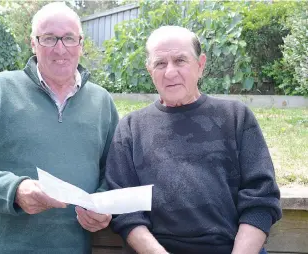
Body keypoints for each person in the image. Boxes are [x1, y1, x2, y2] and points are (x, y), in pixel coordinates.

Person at [0, 2, 118, 253]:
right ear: (33, 44)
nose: (60, 49)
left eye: (69, 38)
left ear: (81, 44)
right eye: (49, 38)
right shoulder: (1, 90)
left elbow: (114, 171)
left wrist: (103, 204)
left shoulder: (101, 101)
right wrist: (14, 190)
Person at [105, 26, 282, 254]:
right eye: (160, 63)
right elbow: (124, 209)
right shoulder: (131, 128)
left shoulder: (236, 117)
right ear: (150, 70)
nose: (170, 72)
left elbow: (261, 198)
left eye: (180, 60)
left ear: (200, 65)